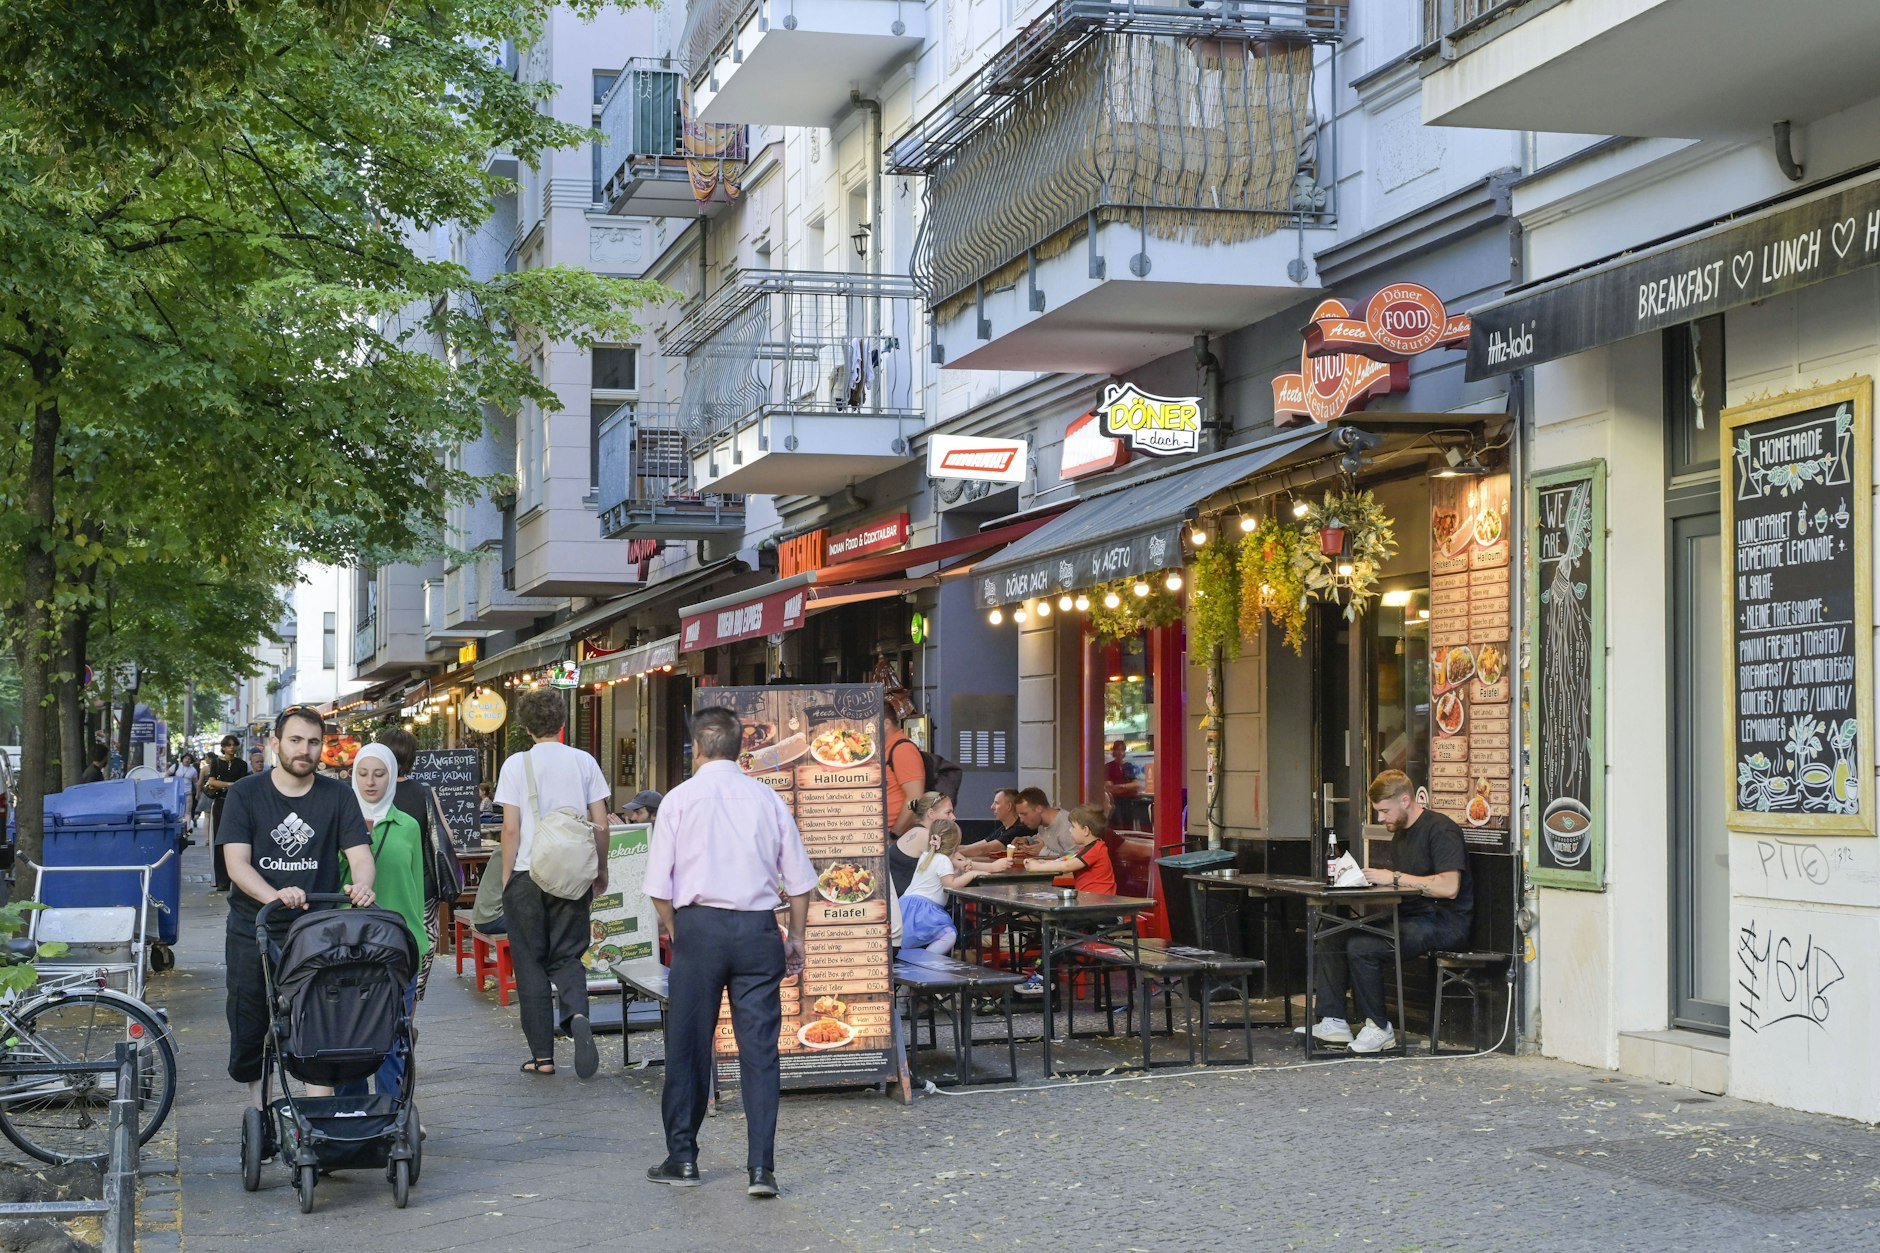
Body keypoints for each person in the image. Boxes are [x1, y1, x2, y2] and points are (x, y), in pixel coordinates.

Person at [644, 707, 815, 1198]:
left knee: (689, 1044)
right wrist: (796, 938)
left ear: (696, 748)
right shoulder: (767, 799)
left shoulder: (679, 800)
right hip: (758, 931)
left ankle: (683, 1158)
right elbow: (799, 882)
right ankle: (761, 1169)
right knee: (759, 1049)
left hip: (699, 928)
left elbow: (658, 887)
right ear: (742, 749)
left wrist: (678, 930)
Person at [218, 706, 375, 1108]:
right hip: (254, 929)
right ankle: (262, 1118)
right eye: (295, 740)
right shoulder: (245, 793)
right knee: (252, 1025)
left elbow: (360, 855)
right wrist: (274, 895)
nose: (305, 750)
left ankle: (317, 1121)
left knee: (319, 1024)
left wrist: (362, 884)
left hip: (316, 932)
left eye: (313, 742)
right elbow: (236, 864)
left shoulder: (338, 795)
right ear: (275, 744)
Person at [493, 689, 612, 1079]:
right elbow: (601, 823)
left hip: (527, 874)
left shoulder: (516, 764)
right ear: (561, 722)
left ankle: (542, 1057)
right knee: (568, 955)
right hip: (572, 874)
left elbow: (511, 828)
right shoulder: (584, 761)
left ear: (526, 726)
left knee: (529, 963)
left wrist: (508, 875)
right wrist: (600, 868)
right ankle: (577, 1014)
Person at [1310, 770, 1473, 1055]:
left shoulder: (1441, 830)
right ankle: (1333, 1021)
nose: (1381, 818)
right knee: (1331, 933)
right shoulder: (1399, 834)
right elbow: (1408, 883)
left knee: (1362, 946)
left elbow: (1449, 887)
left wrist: (1393, 877)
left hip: (1445, 922)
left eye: (1385, 811)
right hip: (1410, 916)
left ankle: (1379, 1028)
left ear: (1406, 800)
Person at [341, 743, 429, 1096]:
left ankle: (392, 1111)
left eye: (379, 774)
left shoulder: (408, 826)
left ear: (392, 777)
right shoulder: (339, 823)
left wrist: (419, 941)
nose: (370, 782)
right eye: (363, 774)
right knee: (346, 1037)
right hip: (346, 945)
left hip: (397, 945)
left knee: (394, 1036)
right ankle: (351, 1111)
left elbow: (415, 886)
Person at [378, 728, 446, 1004]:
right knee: (418, 953)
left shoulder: (368, 792)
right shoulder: (424, 792)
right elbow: (445, 838)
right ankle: (407, 1020)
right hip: (420, 889)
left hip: (378, 887)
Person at [900, 818, 1006, 954]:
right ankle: (926, 960)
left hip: (908, 905)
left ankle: (910, 959)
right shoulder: (943, 860)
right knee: (948, 935)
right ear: (956, 845)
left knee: (908, 941)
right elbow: (951, 884)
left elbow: (942, 875)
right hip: (925, 909)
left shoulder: (926, 856)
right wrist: (971, 874)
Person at [1024, 805, 1118, 895]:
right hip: (1090, 898)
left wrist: (1037, 867)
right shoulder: (1088, 849)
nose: (1070, 830)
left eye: (1073, 826)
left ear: (1085, 830)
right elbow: (1064, 860)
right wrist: (1042, 862)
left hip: (1099, 900)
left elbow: (1067, 866)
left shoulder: (1095, 850)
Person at [202, 734, 252, 892]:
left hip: (236, 804)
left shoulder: (242, 764)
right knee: (218, 840)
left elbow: (242, 783)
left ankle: (236, 879)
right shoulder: (216, 762)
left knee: (236, 840)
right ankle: (221, 879)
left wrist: (223, 784)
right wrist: (230, 785)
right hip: (220, 803)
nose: (231, 747)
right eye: (228, 745)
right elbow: (212, 781)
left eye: (234, 745)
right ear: (223, 747)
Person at [887, 792, 953, 899]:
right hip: (904, 903)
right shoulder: (926, 835)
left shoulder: (918, 831)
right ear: (931, 813)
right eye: (948, 812)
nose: (953, 817)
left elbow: (957, 854)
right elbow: (955, 862)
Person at [883, 705, 928, 836]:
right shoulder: (887, 748)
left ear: (886, 724)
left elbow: (915, 798)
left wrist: (895, 833)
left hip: (897, 835)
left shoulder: (902, 750)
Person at [1014, 787, 1076, 858]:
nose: (1021, 820)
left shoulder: (1067, 826)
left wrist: (1043, 852)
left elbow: (1077, 857)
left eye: (1024, 814)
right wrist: (1028, 841)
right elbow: (1044, 839)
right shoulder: (1042, 824)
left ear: (1039, 808)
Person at [1103, 740, 1145, 829]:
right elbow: (1110, 788)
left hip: (1128, 803)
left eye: (1122, 750)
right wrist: (1127, 788)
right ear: (1113, 751)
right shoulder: (1109, 766)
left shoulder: (1128, 766)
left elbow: (1136, 785)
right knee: (1118, 827)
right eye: (1117, 750)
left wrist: (1121, 787)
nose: (1120, 752)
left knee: (1129, 827)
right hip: (1116, 803)